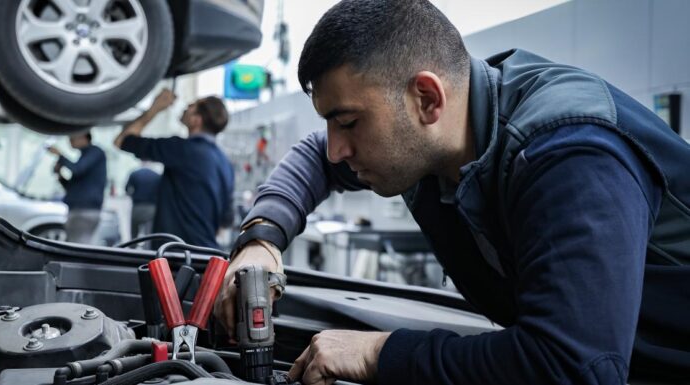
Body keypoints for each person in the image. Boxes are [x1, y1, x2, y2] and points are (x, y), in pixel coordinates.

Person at [213, 1, 690, 384]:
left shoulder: (569, 153)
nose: (337, 149)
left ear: (427, 98)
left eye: (349, 122)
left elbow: (575, 366)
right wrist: (261, 241)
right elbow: (315, 157)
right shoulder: (436, 141)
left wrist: (382, 354)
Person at [114, 89, 234, 249]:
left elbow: (122, 141)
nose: (184, 108)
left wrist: (155, 108)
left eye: (190, 107)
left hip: (175, 256)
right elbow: (226, 219)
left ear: (196, 120)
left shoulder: (183, 149)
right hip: (206, 255)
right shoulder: (225, 162)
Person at [49, 132, 107, 244]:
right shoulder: (85, 156)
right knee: (76, 245)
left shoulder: (95, 152)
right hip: (78, 210)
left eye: (72, 137)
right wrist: (60, 175)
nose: (70, 141)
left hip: (85, 210)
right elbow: (72, 187)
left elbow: (77, 169)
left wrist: (60, 156)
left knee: (78, 247)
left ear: (84, 137)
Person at [126, 163, 162, 242]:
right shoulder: (157, 176)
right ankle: (148, 253)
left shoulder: (134, 174)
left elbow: (128, 190)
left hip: (137, 206)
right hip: (151, 208)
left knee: (134, 234)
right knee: (149, 235)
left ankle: (132, 251)